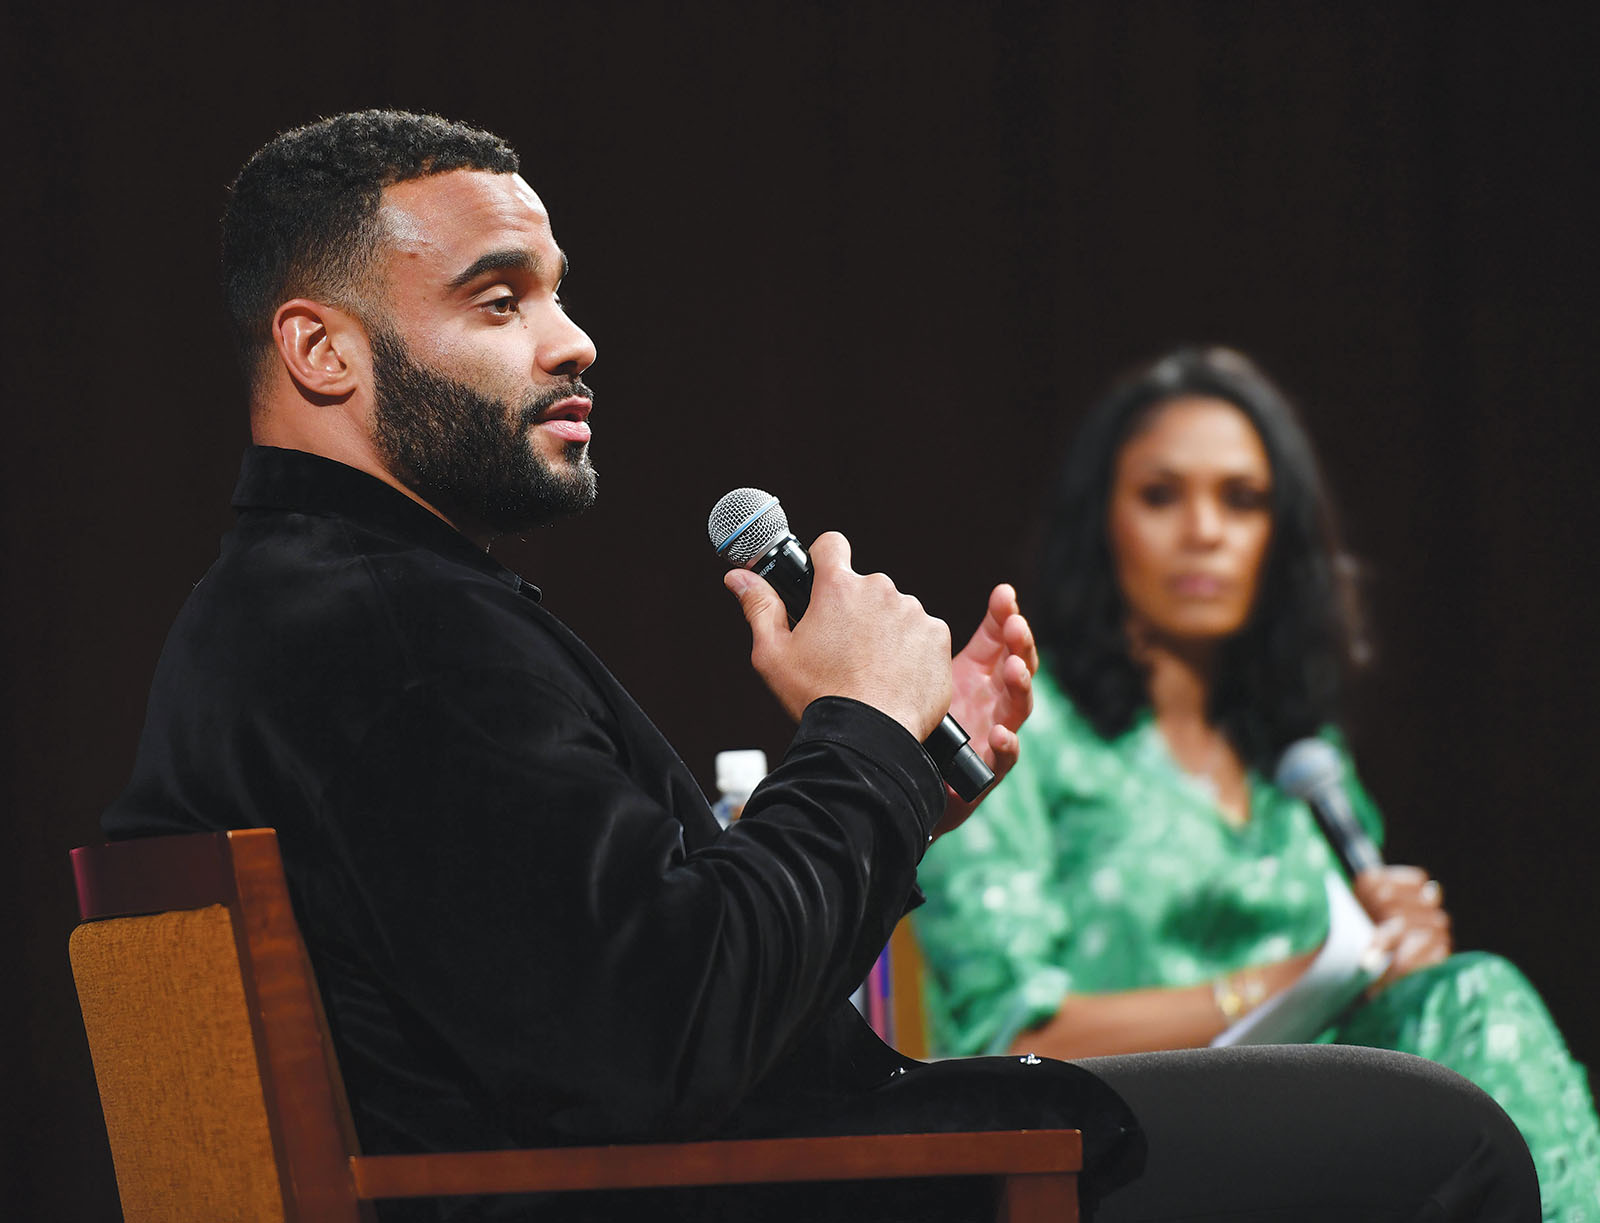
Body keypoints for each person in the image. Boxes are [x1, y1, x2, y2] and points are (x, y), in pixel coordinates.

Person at [103, 112, 1539, 1222]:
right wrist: (854, 725)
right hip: (801, 1179)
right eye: (500, 301)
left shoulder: (320, 609)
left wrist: (910, 768)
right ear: (320, 350)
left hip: (772, 1158)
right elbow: (668, 1032)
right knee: (1451, 1142)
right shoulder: (385, 633)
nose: (574, 337)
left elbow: (625, 990)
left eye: (559, 292)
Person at [913, 345, 1598, 1219]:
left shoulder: (1302, 764)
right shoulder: (1020, 734)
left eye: (1242, 500)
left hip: (1312, 1143)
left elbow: (1349, 995)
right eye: (1163, 495)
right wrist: (1284, 982)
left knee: (1465, 998)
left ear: (1281, 537)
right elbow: (1004, 1039)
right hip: (1109, 1150)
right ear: (1101, 524)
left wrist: (1389, 963)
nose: (1205, 529)